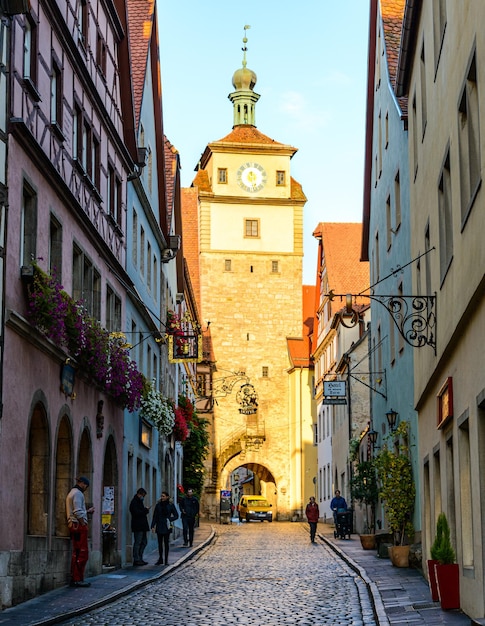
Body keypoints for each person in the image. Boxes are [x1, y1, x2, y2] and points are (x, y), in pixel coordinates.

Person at [66, 476, 95, 587]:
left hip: (75, 525)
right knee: (82, 553)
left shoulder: (72, 493)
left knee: (77, 552)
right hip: (78, 525)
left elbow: (78, 511)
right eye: (86, 486)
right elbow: (77, 512)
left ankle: (76, 577)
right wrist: (83, 523)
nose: (86, 488)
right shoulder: (78, 494)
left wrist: (87, 511)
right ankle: (77, 578)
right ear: (82, 484)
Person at [151, 492, 178, 565]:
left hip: (167, 525)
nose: (162, 497)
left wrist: (169, 519)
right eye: (161, 496)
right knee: (160, 543)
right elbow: (155, 516)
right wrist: (153, 525)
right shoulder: (158, 505)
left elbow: (176, 515)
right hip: (159, 524)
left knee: (166, 543)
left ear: (167, 497)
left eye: (163, 496)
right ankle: (160, 559)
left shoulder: (170, 505)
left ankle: (166, 560)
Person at [129, 488, 150, 566]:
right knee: (138, 542)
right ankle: (136, 559)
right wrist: (145, 510)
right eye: (143, 495)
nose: (143, 497)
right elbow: (136, 513)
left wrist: (145, 510)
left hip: (142, 525)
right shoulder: (134, 502)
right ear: (139, 494)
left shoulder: (139, 502)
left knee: (144, 542)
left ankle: (140, 558)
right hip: (138, 526)